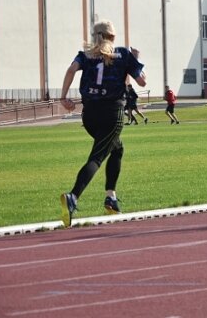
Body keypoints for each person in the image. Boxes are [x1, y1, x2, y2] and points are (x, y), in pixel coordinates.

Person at [58, 20, 146, 227]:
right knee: (97, 157)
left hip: (89, 115)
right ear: (113, 37)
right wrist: (137, 60)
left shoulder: (85, 56)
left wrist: (63, 97)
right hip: (111, 113)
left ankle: (111, 198)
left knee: (117, 149)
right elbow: (142, 81)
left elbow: (71, 70)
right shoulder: (123, 54)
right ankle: (73, 196)